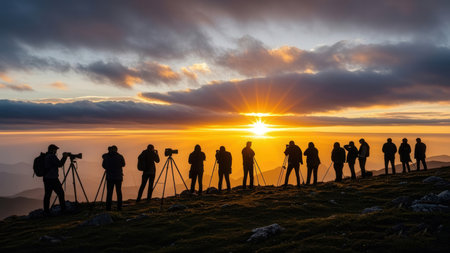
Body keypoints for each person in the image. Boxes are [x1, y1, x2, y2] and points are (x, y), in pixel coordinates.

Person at [43, 144, 68, 215]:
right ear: (52, 150)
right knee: (61, 193)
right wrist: (64, 157)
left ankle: (46, 211)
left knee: (47, 195)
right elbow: (60, 164)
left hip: (46, 178)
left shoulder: (46, 156)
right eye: (55, 149)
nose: (56, 151)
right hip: (53, 179)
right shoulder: (52, 156)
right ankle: (63, 210)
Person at [102, 145, 125, 211]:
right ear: (116, 150)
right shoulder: (120, 156)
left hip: (110, 177)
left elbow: (103, 165)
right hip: (118, 177)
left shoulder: (107, 157)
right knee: (119, 192)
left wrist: (108, 168)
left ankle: (108, 208)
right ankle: (119, 207)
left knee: (109, 192)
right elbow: (123, 164)